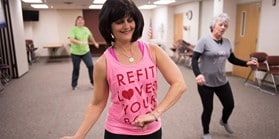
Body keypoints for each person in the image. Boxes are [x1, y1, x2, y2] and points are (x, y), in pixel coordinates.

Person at [60, 0, 187, 139]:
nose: (127, 26)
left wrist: (155, 113)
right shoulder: (104, 63)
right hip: (118, 132)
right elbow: (97, 103)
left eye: (130, 20)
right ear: (109, 27)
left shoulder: (153, 51)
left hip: (152, 131)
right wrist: (78, 136)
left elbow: (179, 84)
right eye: (120, 22)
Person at [191, 13, 258, 139]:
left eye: (225, 26)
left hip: (222, 81)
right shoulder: (204, 40)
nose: (223, 27)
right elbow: (194, 59)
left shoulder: (227, 42)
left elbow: (232, 58)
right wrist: (198, 74)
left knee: (229, 105)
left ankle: (224, 120)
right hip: (205, 82)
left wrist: (246, 63)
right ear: (213, 26)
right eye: (220, 25)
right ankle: (206, 132)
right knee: (208, 109)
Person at [68, 16, 99, 90]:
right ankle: (74, 85)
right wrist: (80, 42)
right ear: (76, 22)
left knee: (91, 66)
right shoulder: (73, 29)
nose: (80, 21)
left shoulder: (86, 29)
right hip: (75, 53)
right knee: (76, 68)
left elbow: (90, 36)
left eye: (82, 20)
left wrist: (95, 43)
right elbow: (71, 39)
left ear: (84, 22)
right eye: (79, 20)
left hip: (86, 52)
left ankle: (93, 83)